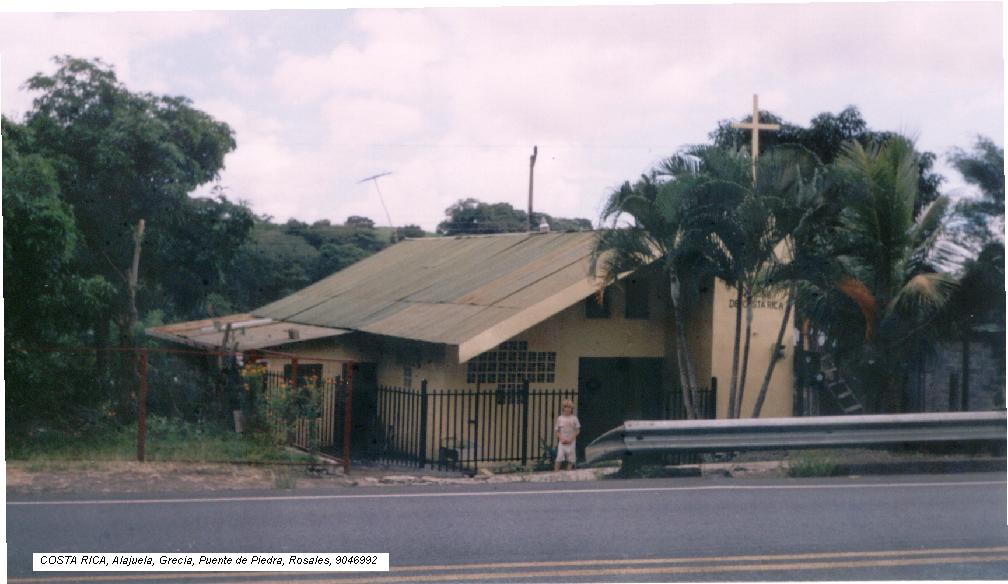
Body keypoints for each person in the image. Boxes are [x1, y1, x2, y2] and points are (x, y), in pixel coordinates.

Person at [554, 398, 580, 471]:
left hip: (571, 442)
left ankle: (568, 473)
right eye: (566, 407)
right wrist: (561, 438)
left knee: (571, 459)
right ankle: (556, 472)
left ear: (572, 409)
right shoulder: (560, 418)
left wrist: (571, 438)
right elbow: (557, 430)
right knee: (559, 457)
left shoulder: (574, 418)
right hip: (562, 442)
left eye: (569, 407)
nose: (568, 409)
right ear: (563, 408)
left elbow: (577, 430)